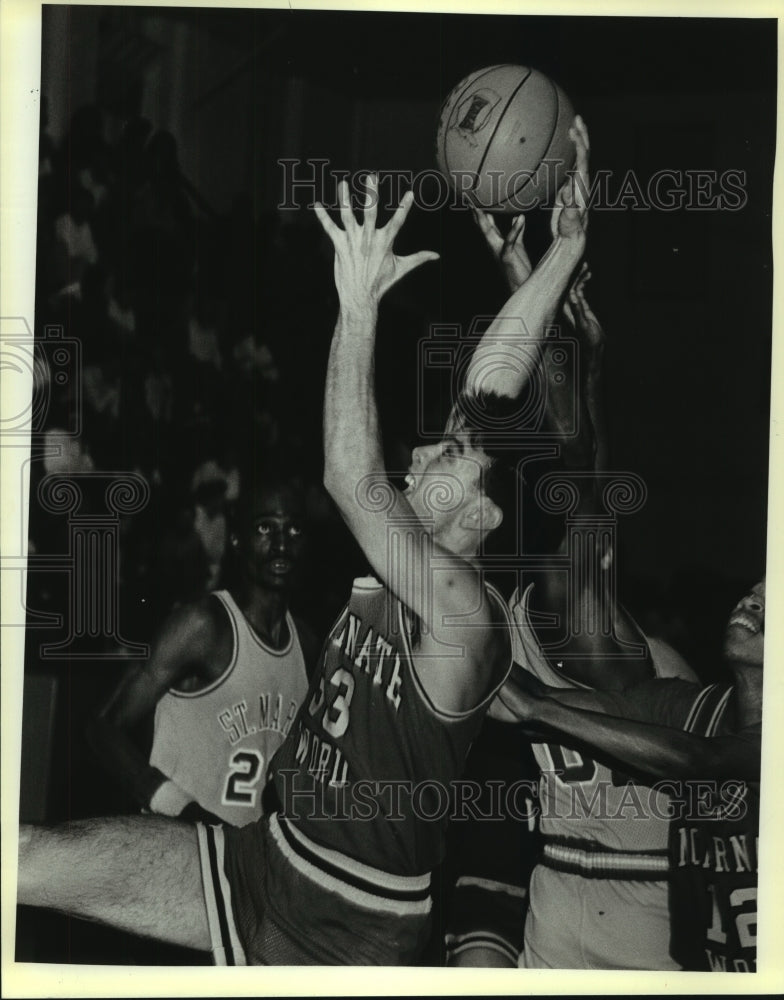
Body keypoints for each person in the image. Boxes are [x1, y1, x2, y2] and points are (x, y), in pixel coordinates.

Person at [16, 142, 589, 965]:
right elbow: (481, 397)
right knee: (25, 856)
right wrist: (561, 254)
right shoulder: (404, 559)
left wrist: (358, 303)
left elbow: (348, 474)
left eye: (449, 458)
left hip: (347, 925)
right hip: (258, 857)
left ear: (485, 512)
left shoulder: (465, 613)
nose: (425, 449)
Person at [450, 118, 700, 971]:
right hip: (558, 891)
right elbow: (551, 447)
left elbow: (575, 464)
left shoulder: (590, 625)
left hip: (646, 902)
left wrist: (539, 276)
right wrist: (531, 282)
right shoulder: (509, 605)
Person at [497, 578, 763, 971]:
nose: (754, 602)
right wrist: (459, 651)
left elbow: (699, 761)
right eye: (756, 592)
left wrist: (536, 709)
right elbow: (548, 702)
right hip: (710, 965)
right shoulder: (688, 706)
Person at [87, 474, 315, 826]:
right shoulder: (204, 624)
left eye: (294, 530)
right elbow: (103, 726)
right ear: (237, 540)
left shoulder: (306, 641)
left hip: (248, 858)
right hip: (178, 846)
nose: (281, 544)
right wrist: (178, 805)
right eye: (265, 528)